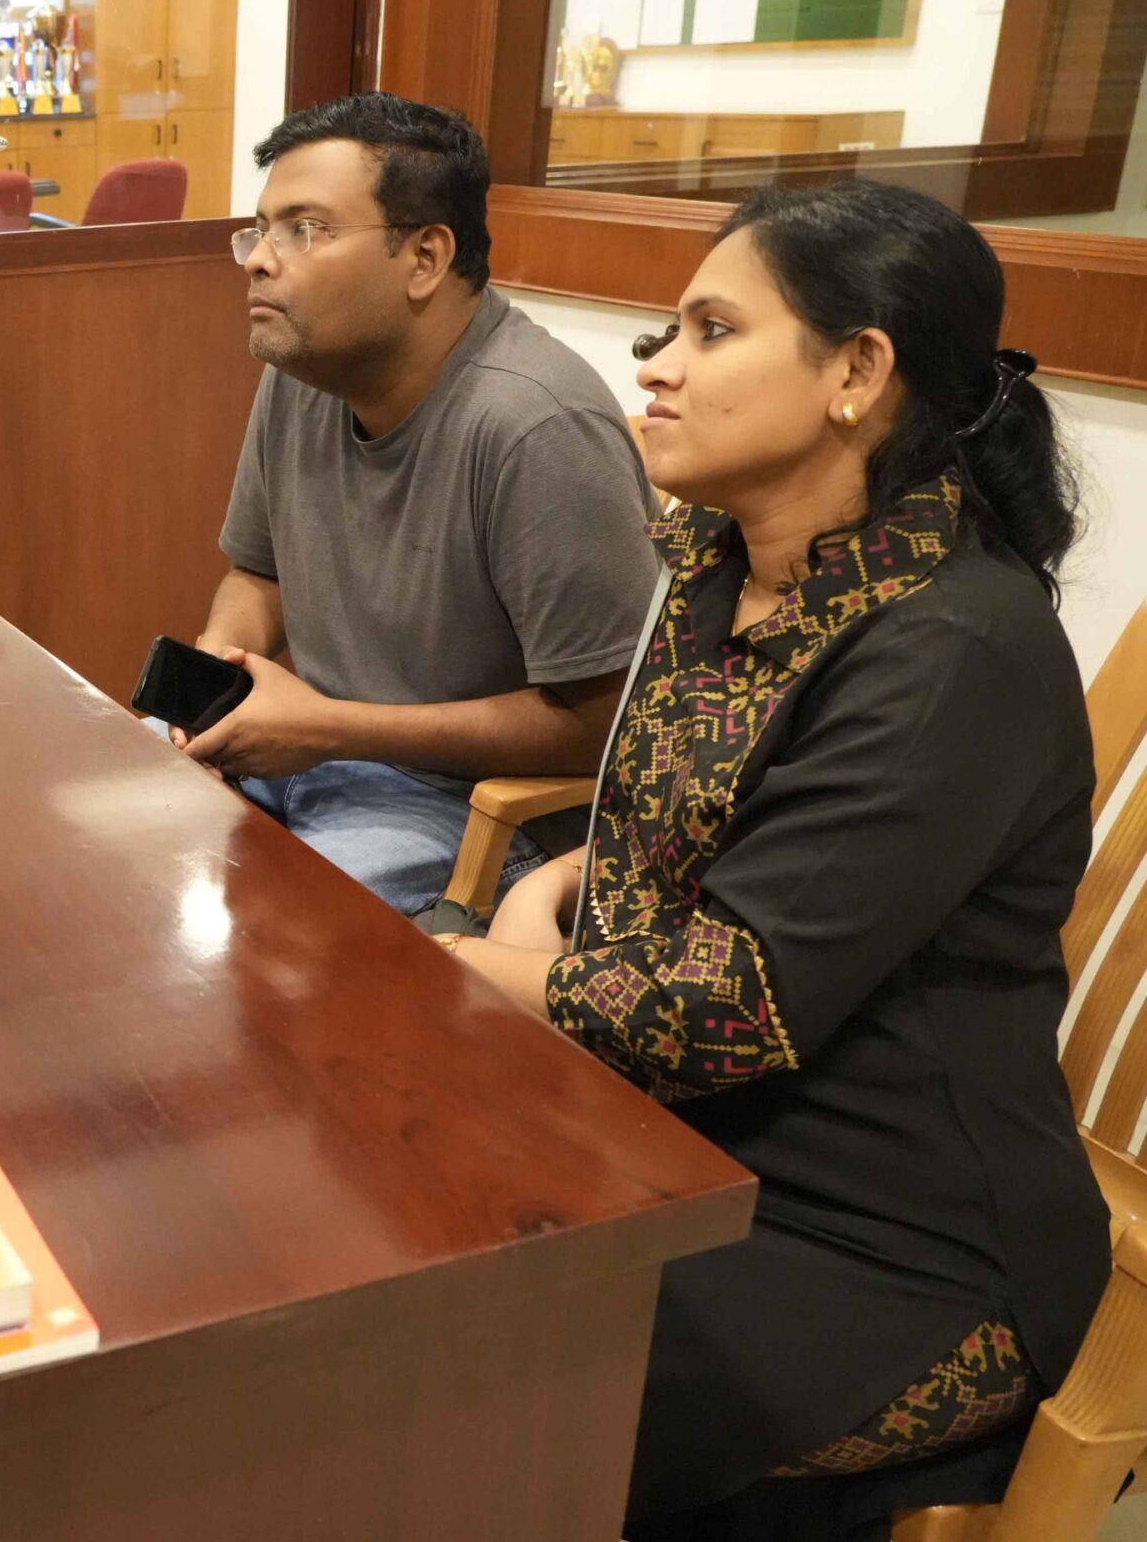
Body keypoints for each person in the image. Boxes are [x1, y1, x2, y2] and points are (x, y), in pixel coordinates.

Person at [451, 179, 1107, 1537]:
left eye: (711, 329)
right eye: (669, 328)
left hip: (885, 1232)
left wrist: (458, 962)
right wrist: (548, 890)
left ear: (857, 371)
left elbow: (719, 1006)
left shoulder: (950, 647)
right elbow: (676, 829)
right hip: (678, 1138)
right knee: (373, 1225)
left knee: (446, 1373)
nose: (657, 364)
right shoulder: (721, 559)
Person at [182, 93, 658, 918]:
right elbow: (258, 576)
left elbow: (606, 723)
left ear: (426, 257)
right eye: (259, 230)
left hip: (467, 805)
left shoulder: (536, 424)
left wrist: (330, 728)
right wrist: (216, 684)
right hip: (310, 753)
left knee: (267, 930)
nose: (259, 259)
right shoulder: (302, 375)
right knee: (120, 833)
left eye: (304, 229)